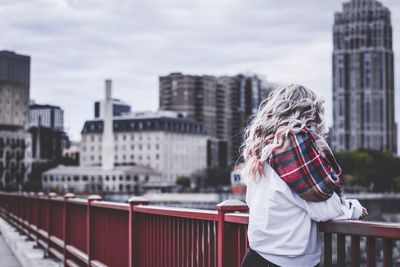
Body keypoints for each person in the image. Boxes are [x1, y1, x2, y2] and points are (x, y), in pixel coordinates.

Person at [240, 84, 367, 267]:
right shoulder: (296, 145)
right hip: (287, 261)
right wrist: (351, 208)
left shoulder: (262, 146)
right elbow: (323, 209)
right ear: (310, 111)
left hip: (255, 257)